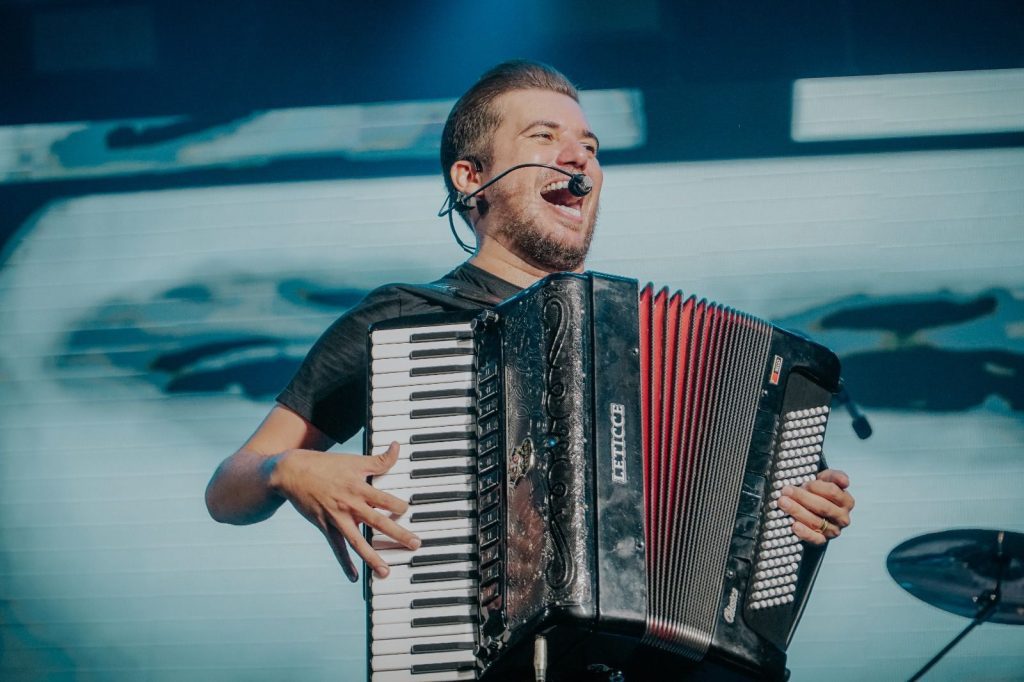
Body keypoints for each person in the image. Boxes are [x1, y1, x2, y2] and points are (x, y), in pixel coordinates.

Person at [205, 60, 855, 584]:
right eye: (543, 137)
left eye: (590, 147)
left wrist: (801, 513)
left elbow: (753, 525)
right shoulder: (405, 321)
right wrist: (284, 471)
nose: (578, 158)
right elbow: (226, 490)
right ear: (472, 179)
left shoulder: (647, 340)